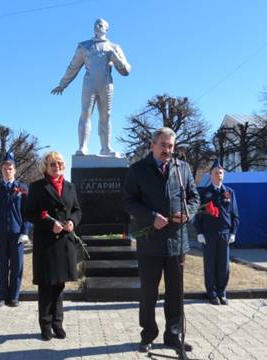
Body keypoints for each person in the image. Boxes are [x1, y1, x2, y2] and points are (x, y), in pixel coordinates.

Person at [123, 127, 199, 353]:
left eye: (171, 146)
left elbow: (194, 197)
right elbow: (129, 201)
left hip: (177, 241)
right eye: (163, 145)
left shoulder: (181, 168)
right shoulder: (137, 170)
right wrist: (151, 216)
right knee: (149, 293)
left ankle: (173, 335)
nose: (167, 150)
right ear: (152, 145)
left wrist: (188, 213)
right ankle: (148, 334)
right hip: (150, 242)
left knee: (176, 293)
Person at [51, 18, 131, 156]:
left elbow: (126, 71)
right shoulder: (84, 46)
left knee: (106, 116)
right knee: (85, 114)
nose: (97, 27)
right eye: (95, 25)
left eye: (101, 25)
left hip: (106, 84)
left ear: (106, 29)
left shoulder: (114, 47)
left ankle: (106, 148)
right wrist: (63, 84)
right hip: (89, 84)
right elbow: (73, 66)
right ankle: (82, 147)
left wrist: (116, 58)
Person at [24, 151, 82, 341]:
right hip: (46, 244)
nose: (56, 167)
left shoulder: (70, 187)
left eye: (58, 163)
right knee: (46, 287)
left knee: (59, 286)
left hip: (65, 243)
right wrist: (50, 224)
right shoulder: (37, 187)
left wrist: (72, 222)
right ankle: (46, 325)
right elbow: (30, 213)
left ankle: (58, 323)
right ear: (45, 167)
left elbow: (76, 210)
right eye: (52, 164)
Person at [0, 154, 31, 307]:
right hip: (0, 233)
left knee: (17, 266)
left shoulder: (23, 189)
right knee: (1, 265)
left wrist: (25, 231)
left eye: (10, 169)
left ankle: (14, 296)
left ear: (15, 170)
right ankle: (1, 295)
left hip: (17, 233)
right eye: (4, 169)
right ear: (1, 170)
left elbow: (28, 212)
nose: (7, 171)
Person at [194, 160, 239, 305]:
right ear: (210, 175)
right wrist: (199, 232)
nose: (219, 175)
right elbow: (198, 215)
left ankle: (222, 292)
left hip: (225, 234)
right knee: (210, 264)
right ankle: (212, 293)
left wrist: (233, 232)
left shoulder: (229, 192)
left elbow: (235, 215)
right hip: (209, 234)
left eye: (221, 173)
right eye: (216, 173)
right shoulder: (203, 193)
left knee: (223, 265)